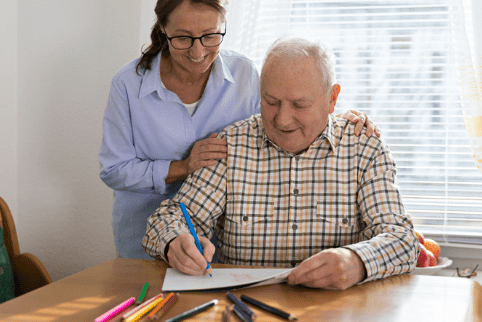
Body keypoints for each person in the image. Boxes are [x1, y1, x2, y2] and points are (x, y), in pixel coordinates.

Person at [99, 0, 379, 260]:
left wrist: (333, 116)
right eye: (183, 38)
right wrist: (184, 166)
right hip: (146, 241)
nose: (197, 52)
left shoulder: (244, 73)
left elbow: (275, 127)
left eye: (210, 36)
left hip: (218, 245)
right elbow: (114, 170)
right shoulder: (129, 84)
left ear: (224, 26)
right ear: (163, 29)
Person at [142, 36, 419, 290]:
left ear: (332, 98)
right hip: (244, 308)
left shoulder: (364, 148)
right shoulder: (232, 145)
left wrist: (357, 262)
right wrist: (174, 243)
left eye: (299, 105)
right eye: (271, 102)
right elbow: (167, 219)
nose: (282, 119)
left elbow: (403, 240)